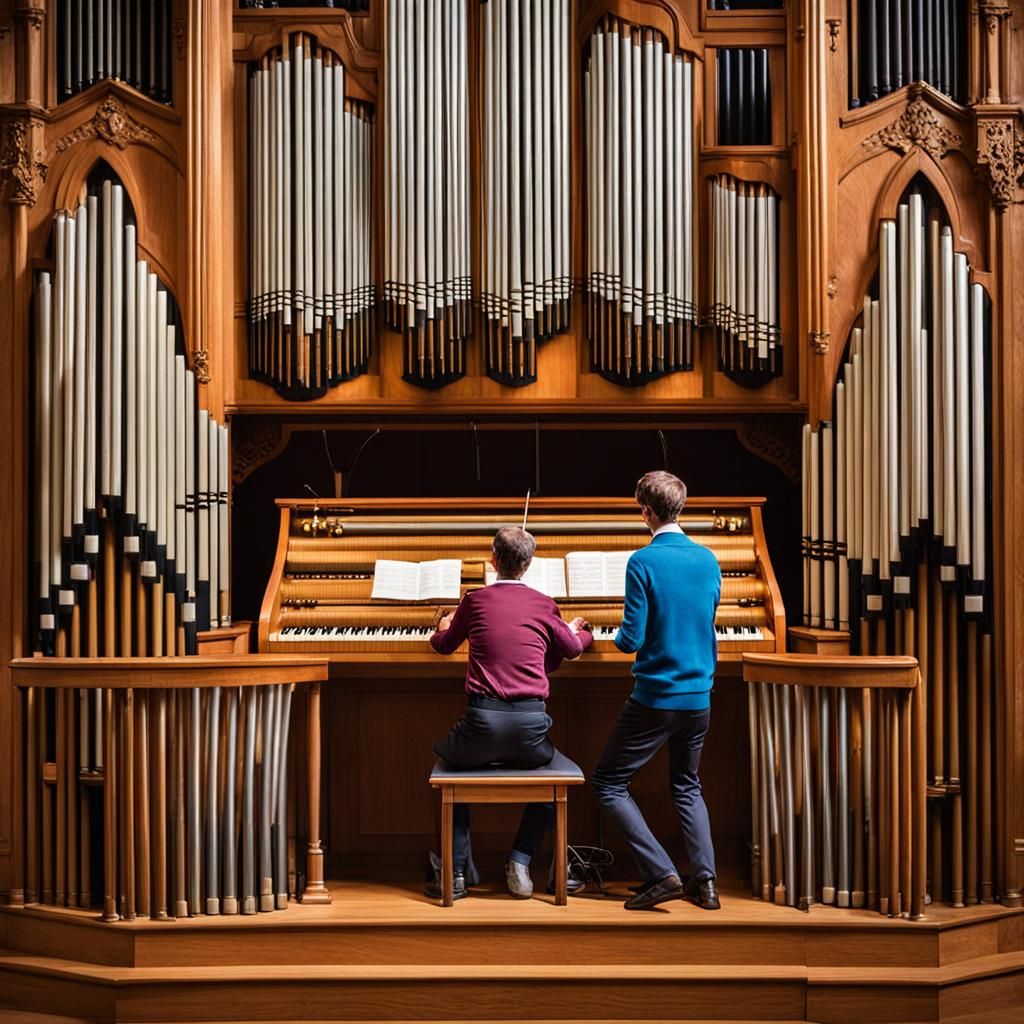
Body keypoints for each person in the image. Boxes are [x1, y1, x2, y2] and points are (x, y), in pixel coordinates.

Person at [427, 526, 592, 900]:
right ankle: (520, 858)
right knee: (553, 776)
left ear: (492, 559)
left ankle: (454, 873)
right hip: (531, 733)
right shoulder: (543, 603)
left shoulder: (475, 600)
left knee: (446, 762)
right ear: (528, 565)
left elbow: (444, 645)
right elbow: (571, 649)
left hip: (481, 727)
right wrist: (583, 632)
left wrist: (441, 628)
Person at [591, 471, 722, 911]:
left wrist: (600, 633)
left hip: (657, 697)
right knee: (687, 785)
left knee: (608, 781)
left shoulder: (643, 562)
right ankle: (705, 885)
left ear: (644, 511)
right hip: (699, 697)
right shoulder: (708, 559)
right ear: (680, 508)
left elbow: (630, 639)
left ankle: (661, 873)